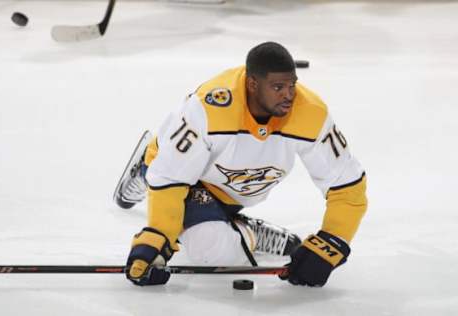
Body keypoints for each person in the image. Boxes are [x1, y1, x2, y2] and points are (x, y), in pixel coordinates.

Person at [114, 41, 368, 287]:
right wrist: (159, 235)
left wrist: (332, 241)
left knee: (211, 237)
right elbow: (170, 176)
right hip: (181, 171)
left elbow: (347, 186)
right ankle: (149, 169)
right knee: (208, 249)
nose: (289, 95)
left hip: (232, 192)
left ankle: (219, 215)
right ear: (252, 84)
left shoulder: (311, 113)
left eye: (292, 85)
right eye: (278, 87)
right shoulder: (209, 108)